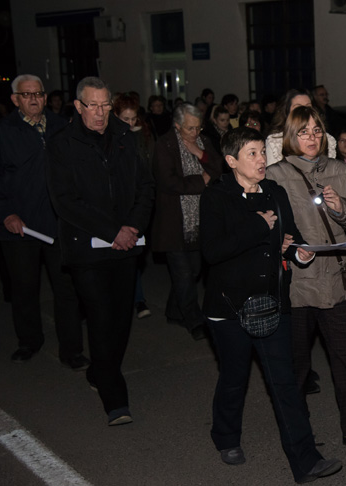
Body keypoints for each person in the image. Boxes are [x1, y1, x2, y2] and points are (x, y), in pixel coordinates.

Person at [200, 127, 342, 484]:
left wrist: (299, 251)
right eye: (252, 153)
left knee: (284, 383)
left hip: (272, 302)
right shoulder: (216, 197)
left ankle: (306, 460)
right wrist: (257, 226)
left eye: (262, 152)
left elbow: (288, 236)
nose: (261, 159)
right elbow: (213, 251)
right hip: (229, 308)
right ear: (232, 161)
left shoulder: (275, 193)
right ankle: (226, 436)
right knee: (234, 378)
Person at [266, 105, 346, 449]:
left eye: (317, 130)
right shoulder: (276, 174)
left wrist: (340, 208)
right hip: (299, 284)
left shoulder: (337, 168)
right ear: (291, 136)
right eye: (303, 131)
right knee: (297, 364)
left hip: (336, 279)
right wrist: (289, 248)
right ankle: (298, 433)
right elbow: (269, 227)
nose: (311, 138)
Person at [47, 76, 155, 426]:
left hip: (126, 247)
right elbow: (65, 202)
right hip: (88, 249)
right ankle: (114, 395)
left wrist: (132, 228)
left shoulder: (127, 138)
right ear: (78, 107)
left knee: (121, 318)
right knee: (100, 315)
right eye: (92, 105)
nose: (100, 112)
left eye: (105, 104)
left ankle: (100, 370)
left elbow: (145, 188)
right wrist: (113, 231)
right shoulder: (62, 144)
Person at [0, 75, 86, 368]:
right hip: (20, 227)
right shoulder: (2, 133)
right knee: (24, 289)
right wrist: (5, 215)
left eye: (38, 93)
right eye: (26, 95)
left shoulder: (63, 127)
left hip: (58, 225)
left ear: (45, 97)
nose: (33, 99)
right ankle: (29, 341)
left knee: (67, 290)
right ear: (15, 100)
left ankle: (72, 350)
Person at [152, 103, 222, 340]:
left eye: (198, 127)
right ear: (177, 125)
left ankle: (174, 310)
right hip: (174, 221)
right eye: (190, 128)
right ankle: (194, 319)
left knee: (193, 270)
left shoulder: (203, 142)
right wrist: (201, 181)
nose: (195, 133)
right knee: (183, 273)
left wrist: (199, 153)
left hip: (200, 220)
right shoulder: (165, 145)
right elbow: (169, 182)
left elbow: (219, 167)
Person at [114, 94, 157, 319]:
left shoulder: (144, 137)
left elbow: (149, 170)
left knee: (134, 254)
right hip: (118, 207)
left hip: (138, 204)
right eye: (124, 118)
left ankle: (138, 299)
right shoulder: (110, 139)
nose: (129, 123)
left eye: (133, 119)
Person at [265, 89, 336, 167]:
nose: (304, 111)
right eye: (298, 107)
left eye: (308, 106)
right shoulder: (275, 142)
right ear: (287, 112)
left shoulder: (326, 139)